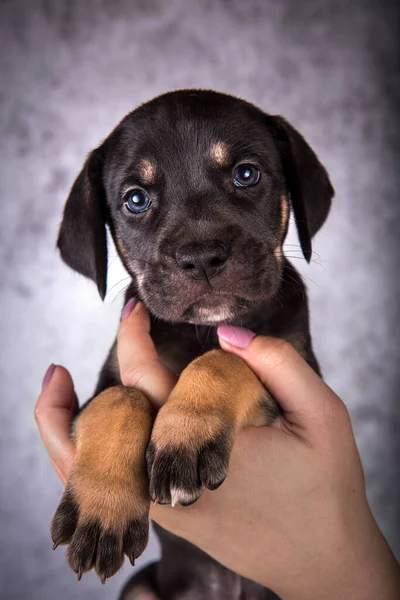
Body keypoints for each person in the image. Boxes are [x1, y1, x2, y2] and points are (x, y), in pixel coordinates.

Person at [35, 301, 400, 600]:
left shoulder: (283, 309)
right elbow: (105, 412)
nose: (201, 244)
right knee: (120, 403)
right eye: (138, 204)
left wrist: (219, 383)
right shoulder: (147, 321)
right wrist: (107, 464)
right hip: (173, 589)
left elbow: (279, 413)